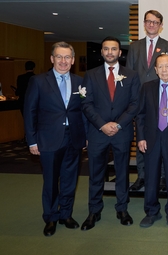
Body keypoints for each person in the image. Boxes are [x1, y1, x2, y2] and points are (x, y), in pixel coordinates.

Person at [23, 42, 86, 236]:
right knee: (50, 181)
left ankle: (65, 214)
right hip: (48, 140)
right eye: (59, 57)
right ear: (52, 59)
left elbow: (82, 112)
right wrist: (32, 141)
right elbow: (29, 111)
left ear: (73, 60)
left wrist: (84, 137)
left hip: (73, 139)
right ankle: (50, 217)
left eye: (67, 57)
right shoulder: (39, 81)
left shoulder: (79, 82)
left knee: (69, 180)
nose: (63, 61)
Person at [80, 37, 140, 230]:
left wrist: (118, 124)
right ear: (102, 52)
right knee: (96, 174)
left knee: (122, 173)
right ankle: (94, 210)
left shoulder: (131, 75)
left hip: (121, 132)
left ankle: (122, 209)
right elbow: (86, 104)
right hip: (98, 132)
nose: (110, 52)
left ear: (119, 53)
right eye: (106, 49)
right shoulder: (90, 75)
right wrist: (102, 125)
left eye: (113, 49)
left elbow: (134, 104)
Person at [136, 54, 168, 228]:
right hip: (152, 135)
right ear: (156, 70)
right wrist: (141, 137)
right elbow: (141, 114)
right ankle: (151, 211)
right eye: (161, 67)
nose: (164, 70)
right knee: (151, 175)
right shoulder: (147, 87)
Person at [127, 9, 168, 192]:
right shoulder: (135, 46)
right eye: (148, 21)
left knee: (163, 136)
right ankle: (142, 175)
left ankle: (163, 177)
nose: (151, 25)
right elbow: (129, 74)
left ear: (161, 26)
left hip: (161, 95)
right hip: (140, 97)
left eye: (156, 22)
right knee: (142, 136)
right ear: (144, 23)